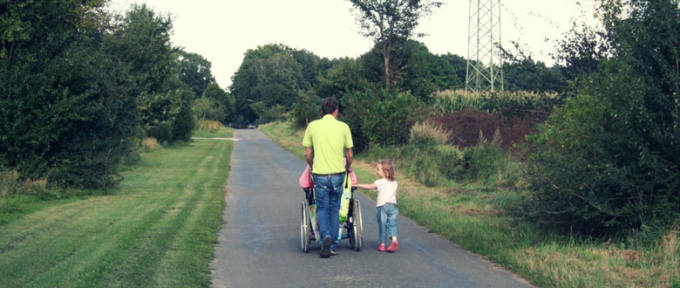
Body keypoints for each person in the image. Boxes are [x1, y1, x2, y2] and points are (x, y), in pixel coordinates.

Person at [302, 98, 353, 258]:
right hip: (338, 175)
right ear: (336, 111)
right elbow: (349, 154)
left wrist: (311, 166)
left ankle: (325, 236)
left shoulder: (312, 126)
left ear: (321, 111)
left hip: (320, 174)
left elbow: (308, 152)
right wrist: (347, 167)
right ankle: (333, 245)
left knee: (322, 207)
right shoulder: (344, 127)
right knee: (334, 209)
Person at [354, 160, 399, 252]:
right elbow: (395, 194)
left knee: (382, 225)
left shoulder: (380, 182)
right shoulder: (395, 182)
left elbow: (370, 186)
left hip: (382, 206)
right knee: (392, 224)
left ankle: (382, 244)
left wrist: (357, 185)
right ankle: (394, 240)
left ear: (385, 171)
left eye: (378, 170)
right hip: (393, 206)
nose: (376, 171)